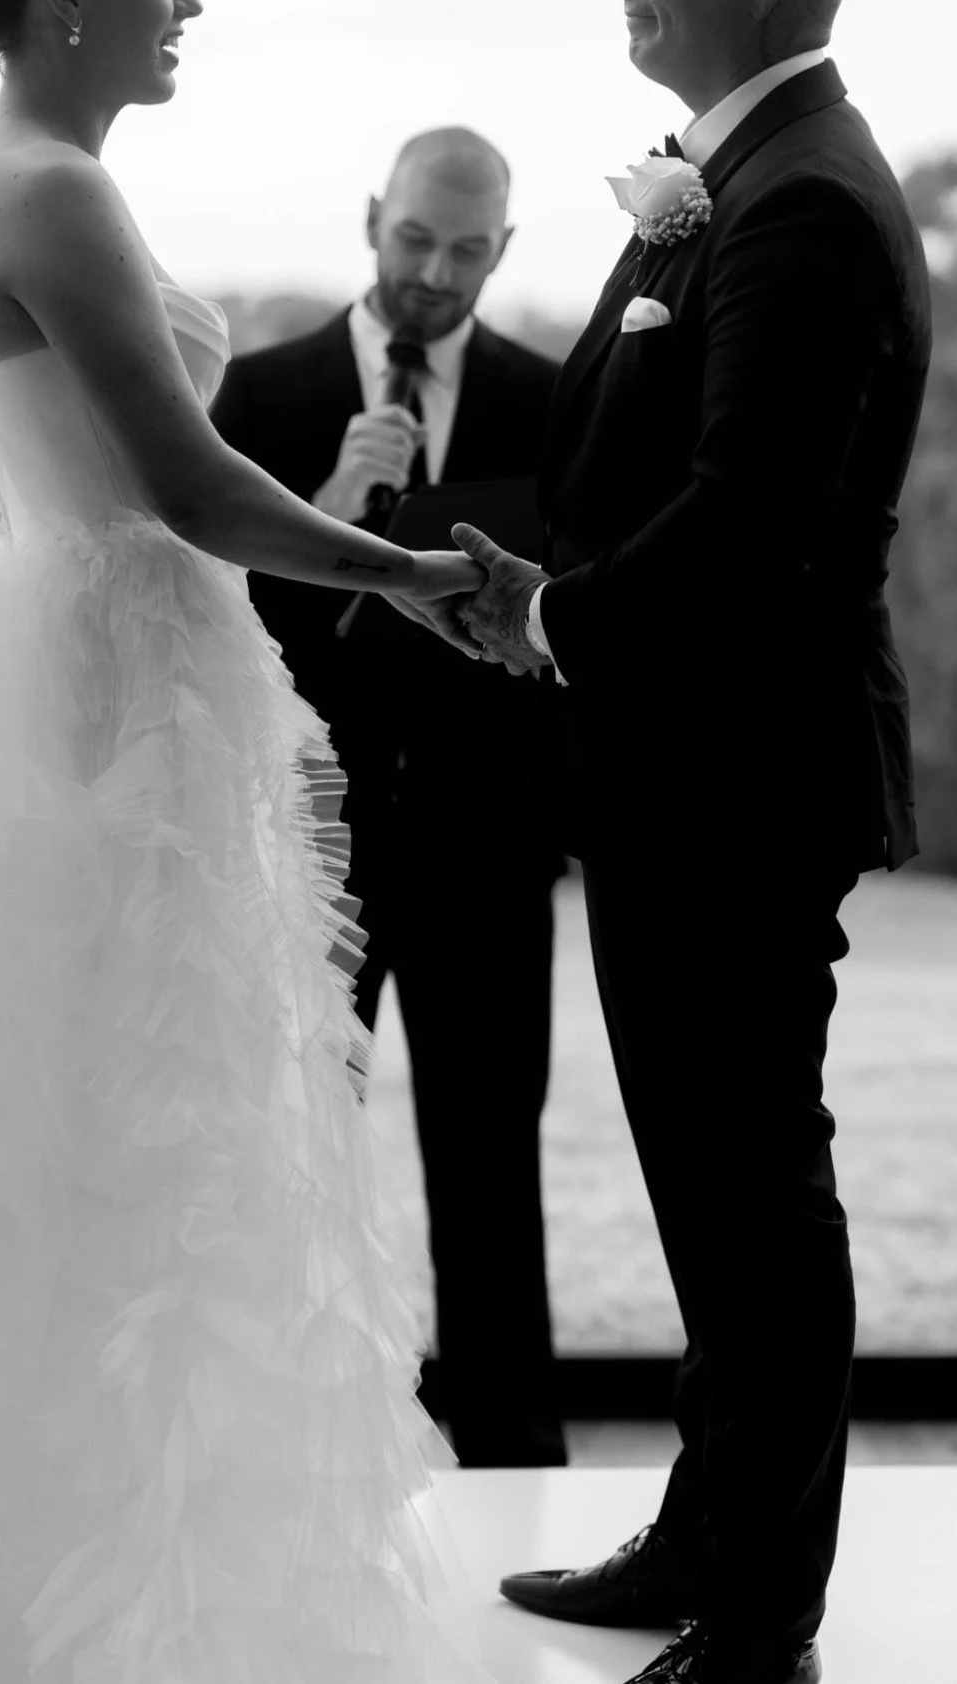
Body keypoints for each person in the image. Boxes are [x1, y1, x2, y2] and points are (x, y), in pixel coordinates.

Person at [0, 0, 501, 1676]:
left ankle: (50, 1558)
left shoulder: (15, 174)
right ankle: (150, 1600)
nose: (188, 4)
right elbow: (187, 486)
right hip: (124, 682)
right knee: (157, 1123)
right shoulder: (43, 182)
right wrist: (415, 581)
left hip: (96, 662)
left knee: (88, 1107)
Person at [421, 1, 931, 1681]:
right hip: (683, 772)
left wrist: (556, 615)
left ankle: (761, 1619)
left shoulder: (798, 199)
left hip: (740, 782)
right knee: (711, 1200)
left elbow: (747, 517)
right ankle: (706, 1539)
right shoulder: (758, 173)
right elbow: (637, 471)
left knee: (754, 1204)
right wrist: (550, 598)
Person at [210, 127, 568, 1471]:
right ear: (374, 218)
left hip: (489, 843)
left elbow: (570, 622)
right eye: (416, 238)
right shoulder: (257, 392)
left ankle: (516, 1460)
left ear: (503, 250)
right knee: (298, 1160)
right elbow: (216, 622)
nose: (435, 271)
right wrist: (334, 502)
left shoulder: (551, 400)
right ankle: (290, 1458)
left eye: (467, 249)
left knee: (490, 1169)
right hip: (314, 847)